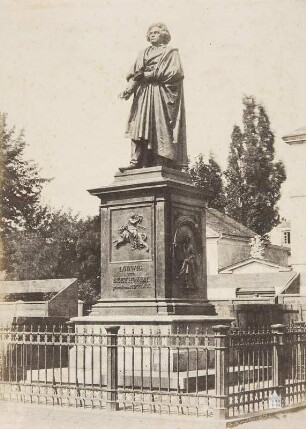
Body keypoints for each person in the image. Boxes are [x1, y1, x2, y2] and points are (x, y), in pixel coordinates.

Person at [119, 23, 187, 171]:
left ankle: (160, 159)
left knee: (158, 126)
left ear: (164, 35)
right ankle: (136, 160)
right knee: (138, 125)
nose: (152, 35)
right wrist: (129, 88)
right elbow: (135, 74)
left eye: (156, 32)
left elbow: (176, 72)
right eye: (150, 33)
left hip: (160, 94)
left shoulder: (170, 53)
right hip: (143, 93)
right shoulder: (143, 53)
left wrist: (150, 75)